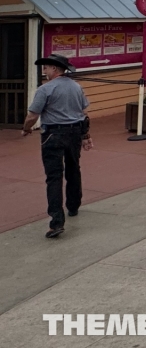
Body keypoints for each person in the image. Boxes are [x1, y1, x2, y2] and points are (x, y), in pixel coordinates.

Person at [21, 54, 93, 238]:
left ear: (55, 69)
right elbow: (82, 112)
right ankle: (74, 205)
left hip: (53, 134)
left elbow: (32, 115)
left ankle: (56, 222)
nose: (44, 71)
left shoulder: (45, 89)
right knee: (73, 169)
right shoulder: (77, 87)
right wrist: (86, 135)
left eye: (46, 68)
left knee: (54, 177)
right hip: (75, 133)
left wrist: (26, 129)